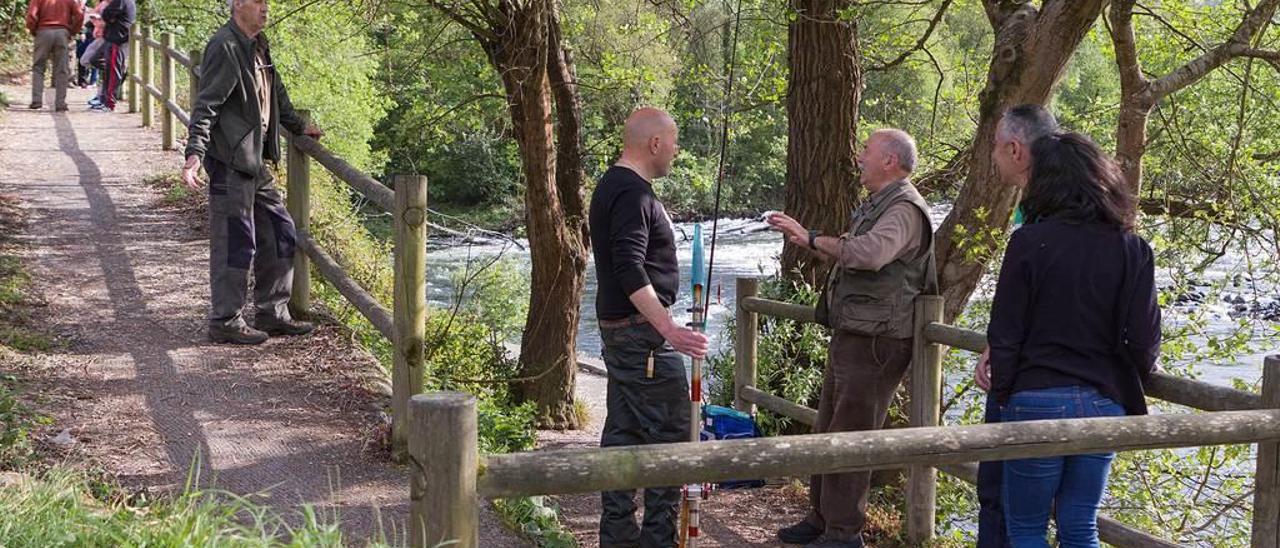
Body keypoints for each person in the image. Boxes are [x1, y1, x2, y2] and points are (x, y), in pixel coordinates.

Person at [985, 132, 1160, 547]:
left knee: (1025, 528)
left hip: (1036, 397)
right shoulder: (1133, 248)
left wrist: (1006, 393)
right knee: (1080, 525)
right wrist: (1137, 375)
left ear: (1046, 182)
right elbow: (1144, 339)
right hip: (1103, 399)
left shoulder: (1028, 242)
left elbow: (1005, 330)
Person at [768, 129, 936, 548]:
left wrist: (811, 238)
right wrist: (808, 239)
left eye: (867, 150)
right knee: (829, 427)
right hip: (857, 332)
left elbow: (872, 253)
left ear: (890, 162)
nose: (859, 155)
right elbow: (856, 254)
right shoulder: (880, 203)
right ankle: (823, 518)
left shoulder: (904, 208)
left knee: (852, 435)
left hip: (879, 340)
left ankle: (844, 533)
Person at [588, 107, 709, 548]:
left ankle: (618, 538)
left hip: (625, 332)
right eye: (673, 141)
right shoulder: (632, 193)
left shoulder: (614, 186)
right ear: (654, 143)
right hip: (642, 337)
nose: (676, 150)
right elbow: (628, 267)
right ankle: (656, 541)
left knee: (624, 433)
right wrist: (670, 330)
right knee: (672, 436)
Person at [182, 0, 325, 344]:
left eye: (267, 3)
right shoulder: (225, 46)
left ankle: (272, 313)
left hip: (253, 160)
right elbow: (207, 105)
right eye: (259, 2)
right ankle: (225, 320)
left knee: (280, 229)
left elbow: (276, 93)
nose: (266, 9)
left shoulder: (258, 45)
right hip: (231, 161)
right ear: (237, 5)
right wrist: (194, 154)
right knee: (235, 241)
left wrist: (299, 126)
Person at [974, 103, 1060, 548]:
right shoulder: (1035, 210)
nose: (992, 157)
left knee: (1010, 507)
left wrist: (1002, 356)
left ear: (1015, 149)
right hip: (1059, 380)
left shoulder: (1043, 220)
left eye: (995, 147)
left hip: (1028, 384)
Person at [25, 0, 85, 111]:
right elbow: (80, 15)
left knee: (38, 67)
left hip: (43, 31)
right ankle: (60, 103)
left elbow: (32, 15)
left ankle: (36, 101)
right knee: (62, 69)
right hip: (62, 32)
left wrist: (33, 30)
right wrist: (73, 31)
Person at [89, 0, 131, 112]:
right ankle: (105, 99)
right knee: (95, 60)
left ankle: (109, 103)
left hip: (118, 39)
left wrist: (107, 16)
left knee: (114, 71)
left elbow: (107, 14)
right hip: (111, 38)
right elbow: (107, 15)